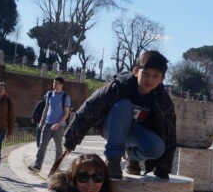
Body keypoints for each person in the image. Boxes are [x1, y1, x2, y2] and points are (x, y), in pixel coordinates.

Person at [63, 51, 176, 180]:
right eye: (145, 73)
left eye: (155, 76)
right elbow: (89, 109)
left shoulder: (164, 101)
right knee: (124, 105)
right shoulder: (119, 86)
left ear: (162, 79)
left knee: (157, 148)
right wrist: (70, 140)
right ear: (136, 71)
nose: (149, 80)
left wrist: (163, 169)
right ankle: (113, 161)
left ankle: (131, 157)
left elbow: (170, 134)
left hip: (135, 133)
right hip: (111, 127)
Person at [28, 77, 71, 173]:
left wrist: (58, 124)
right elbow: (46, 109)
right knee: (42, 145)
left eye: (56, 83)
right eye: (54, 82)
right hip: (47, 124)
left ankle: (56, 167)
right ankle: (37, 166)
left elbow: (67, 113)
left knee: (58, 148)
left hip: (59, 126)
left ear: (61, 85)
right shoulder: (49, 94)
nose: (54, 84)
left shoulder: (65, 97)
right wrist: (42, 122)